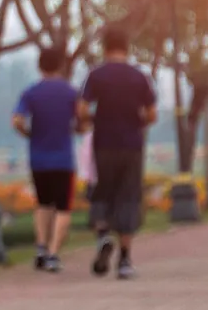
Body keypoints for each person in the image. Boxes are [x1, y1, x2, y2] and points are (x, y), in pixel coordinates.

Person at [77, 26, 157, 280]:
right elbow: (152, 113)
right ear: (127, 48)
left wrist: (94, 120)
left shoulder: (96, 75)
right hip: (132, 144)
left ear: (105, 48)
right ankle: (124, 259)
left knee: (102, 192)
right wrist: (138, 122)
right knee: (128, 197)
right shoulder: (139, 77)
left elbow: (82, 109)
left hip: (103, 143)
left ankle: (103, 236)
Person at [12, 47, 81, 273]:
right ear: (61, 65)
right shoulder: (70, 92)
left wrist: (28, 133)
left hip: (39, 158)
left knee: (43, 204)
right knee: (63, 208)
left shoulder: (31, 92)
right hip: (63, 159)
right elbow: (82, 117)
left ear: (39, 66)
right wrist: (77, 128)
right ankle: (53, 253)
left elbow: (17, 120)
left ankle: (41, 247)